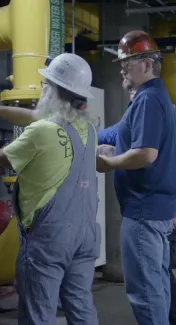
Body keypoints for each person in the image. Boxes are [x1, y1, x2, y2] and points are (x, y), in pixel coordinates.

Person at [0, 53, 100, 324]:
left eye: (46, 84)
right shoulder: (87, 129)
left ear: (55, 92)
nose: (42, 88)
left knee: (38, 312)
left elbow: (4, 159)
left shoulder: (41, 132)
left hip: (49, 239)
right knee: (81, 309)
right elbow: (36, 117)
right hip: (85, 235)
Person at [96, 30, 176, 325]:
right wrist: (85, 137)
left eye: (127, 62)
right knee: (156, 287)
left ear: (146, 64)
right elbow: (120, 133)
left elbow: (146, 154)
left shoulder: (147, 100)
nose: (121, 67)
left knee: (144, 292)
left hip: (143, 211)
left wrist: (109, 163)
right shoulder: (153, 97)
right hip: (155, 210)